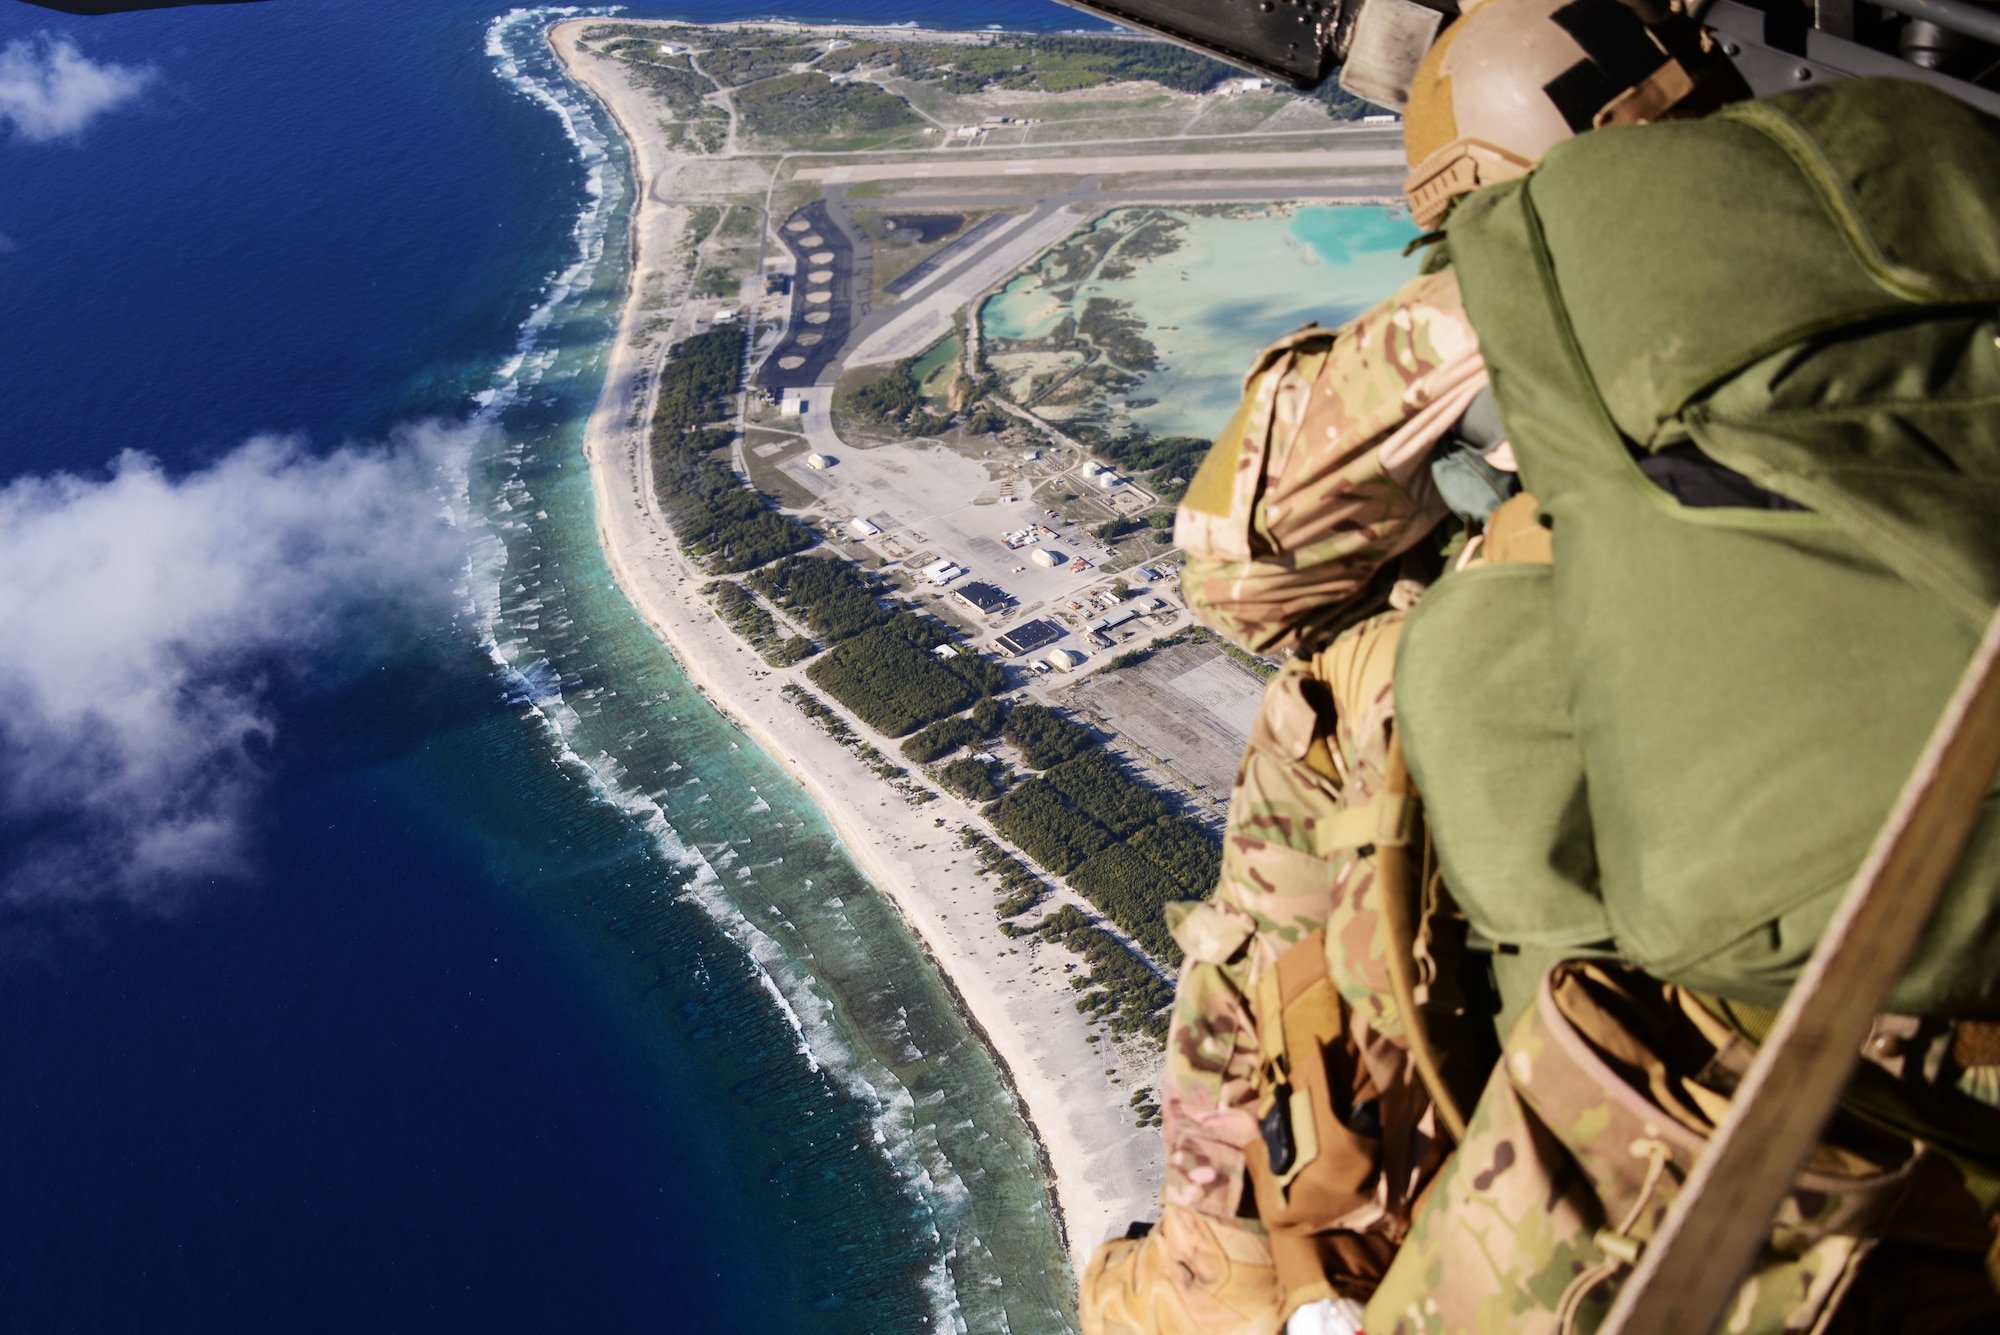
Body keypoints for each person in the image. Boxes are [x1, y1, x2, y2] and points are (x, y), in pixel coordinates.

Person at [1083, 0, 2000, 1328]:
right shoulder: (1914, 189)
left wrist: (1507, 313)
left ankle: (1213, 1272)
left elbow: (1240, 566)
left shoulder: (1566, 296)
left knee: (1361, 704)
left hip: (1753, 1073)